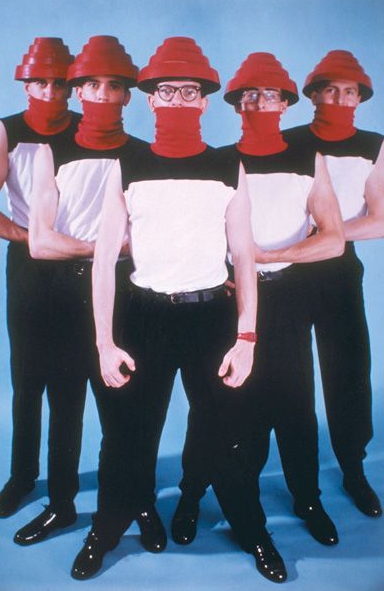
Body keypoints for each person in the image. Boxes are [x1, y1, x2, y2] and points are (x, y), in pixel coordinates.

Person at [71, 37, 287, 584]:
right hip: (143, 317)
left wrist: (247, 338)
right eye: (166, 91)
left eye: (188, 92)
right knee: (127, 432)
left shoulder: (226, 164)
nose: (177, 100)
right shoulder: (127, 162)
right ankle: (110, 523)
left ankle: (236, 519)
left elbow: (243, 256)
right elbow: (102, 262)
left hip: (211, 317)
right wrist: (104, 341)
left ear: (204, 101)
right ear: (150, 99)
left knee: (225, 429)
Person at [171, 52, 345, 549]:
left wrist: (269, 254)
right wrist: (227, 269)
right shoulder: (221, 161)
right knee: (215, 407)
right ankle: (191, 494)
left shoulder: (306, 161)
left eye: (270, 94)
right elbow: (195, 231)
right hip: (227, 301)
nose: (259, 102)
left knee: (295, 404)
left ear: (287, 104)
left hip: (286, 294)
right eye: (249, 94)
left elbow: (332, 238)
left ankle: (307, 498)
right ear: (233, 104)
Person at [11, 35, 155, 548]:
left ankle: (136, 498)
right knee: (64, 400)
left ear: (127, 95)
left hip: (126, 293)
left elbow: (152, 235)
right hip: (61, 294)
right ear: (77, 91)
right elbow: (41, 242)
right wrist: (109, 246)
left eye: (112, 86)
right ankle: (61, 505)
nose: (100, 94)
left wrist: (111, 249)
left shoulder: (144, 155)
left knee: (125, 404)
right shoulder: (54, 152)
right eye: (90, 84)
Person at [283, 50, 384, 517]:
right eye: (330, 89)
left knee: (348, 372)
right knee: (292, 380)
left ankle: (353, 468)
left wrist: (326, 235)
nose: (339, 98)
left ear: (360, 98)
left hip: (338, 269)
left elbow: (380, 219)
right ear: (312, 95)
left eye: (349, 92)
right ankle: (303, 487)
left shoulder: (375, 145)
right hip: (285, 271)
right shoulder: (285, 141)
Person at [0, 38, 79, 518]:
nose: (52, 92)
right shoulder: (6, 131)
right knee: (27, 380)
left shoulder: (89, 132)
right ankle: (22, 476)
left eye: (61, 83)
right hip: (30, 268)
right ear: (26, 85)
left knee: (71, 385)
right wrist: (27, 238)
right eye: (42, 82)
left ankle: (63, 486)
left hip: (81, 268)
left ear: (73, 88)